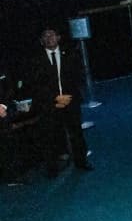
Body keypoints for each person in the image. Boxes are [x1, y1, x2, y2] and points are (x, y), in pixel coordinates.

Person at [27, 26, 91, 173]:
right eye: (46, 36)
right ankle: (52, 167)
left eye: (52, 35)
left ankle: (81, 162)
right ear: (41, 41)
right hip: (48, 103)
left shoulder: (71, 54)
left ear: (59, 37)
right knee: (50, 135)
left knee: (76, 132)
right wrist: (55, 97)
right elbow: (35, 83)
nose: (49, 38)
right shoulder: (35, 60)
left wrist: (68, 97)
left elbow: (79, 75)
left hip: (71, 101)